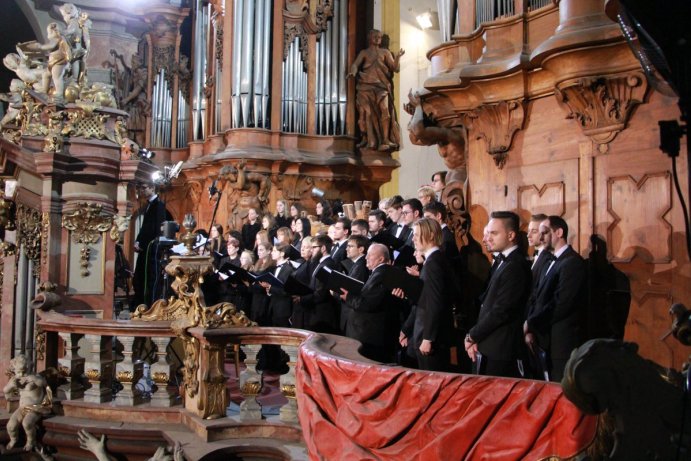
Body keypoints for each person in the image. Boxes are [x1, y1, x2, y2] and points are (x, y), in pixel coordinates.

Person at [464, 211, 531, 378]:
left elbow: (502, 310)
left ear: (511, 235)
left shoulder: (516, 265)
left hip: (502, 349)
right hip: (489, 344)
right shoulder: (502, 262)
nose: (488, 238)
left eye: (494, 233)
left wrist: (473, 335)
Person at [524, 215, 587, 382]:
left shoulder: (572, 262)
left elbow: (561, 304)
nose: (540, 237)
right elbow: (537, 297)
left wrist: (531, 323)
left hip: (561, 343)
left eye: (545, 233)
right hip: (544, 337)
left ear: (559, 232)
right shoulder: (549, 260)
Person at [397, 218, 456, 372]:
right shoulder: (434, 260)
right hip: (426, 334)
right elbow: (425, 298)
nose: (413, 239)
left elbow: (435, 303)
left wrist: (428, 338)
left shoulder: (433, 264)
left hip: (431, 338)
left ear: (430, 235)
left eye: (417, 235)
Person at [348, 29, 405, 151]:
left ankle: (385, 140)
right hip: (366, 87)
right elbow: (355, 65)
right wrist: (353, 72)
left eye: (379, 37)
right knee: (365, 114)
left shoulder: (385, 52)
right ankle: (368, 139)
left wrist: (398, 57)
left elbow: (395, 68)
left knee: (385, 111)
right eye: (375, 36)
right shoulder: (364, 53)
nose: (378, 38)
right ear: (370, 38)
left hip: (381, 87)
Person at [341, 243, 399, 363]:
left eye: (370, 255)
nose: (366, 258)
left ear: (381, 259)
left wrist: (348, 297)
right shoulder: (378, 273)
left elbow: (368, 304)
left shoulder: (381, 274)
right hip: (367, 333)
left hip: (370, 335)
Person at [132, 182, 172, 309]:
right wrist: (138, 241)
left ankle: (149, 306)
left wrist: (146, 244)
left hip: (151, 249)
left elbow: (158, 228)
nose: (142, 191)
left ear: (152, 188)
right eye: (140, 188)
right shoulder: (148, 206)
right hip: (144, 248)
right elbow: (145, 228)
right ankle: (140, 305)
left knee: (150, 278)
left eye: (144, 188)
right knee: (139, 277)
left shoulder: (159, 205)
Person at [3, 354, 52, 451]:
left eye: (24, 372)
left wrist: (34, 379)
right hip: (22, 408)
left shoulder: (34, 377)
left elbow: (44, 384)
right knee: (10, 426)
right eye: (18, 372)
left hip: (35, 407)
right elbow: (5, 391)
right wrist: (10, 386)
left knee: (27, 423)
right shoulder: (15, 379)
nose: (21, 375)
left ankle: (31, 441)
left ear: (29, 368)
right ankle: (13, 439)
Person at [293, 234, 339, 333]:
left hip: (322, 315)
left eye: (314, 247)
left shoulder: (328, 265)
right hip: (316, 313)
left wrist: (301, 299)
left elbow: (321, 293)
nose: (311, 250)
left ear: (323, 248)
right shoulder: (321, 263)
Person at [337, 234, 370, 334]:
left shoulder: (360, 266)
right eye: (347, 246)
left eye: (350, 246)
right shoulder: (357, 264)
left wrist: (335, 291)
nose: (347, 249)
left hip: (353, 316)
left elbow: (351, 290)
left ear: (361, 249)